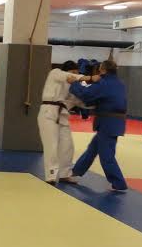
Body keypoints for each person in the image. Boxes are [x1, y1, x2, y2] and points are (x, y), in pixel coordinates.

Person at [68, 59, 129, 192]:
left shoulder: (104, 83)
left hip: (108, 123)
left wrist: (74, 84)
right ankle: (75, 172)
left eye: (100, 68)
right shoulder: (119, 83)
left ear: (103, 69)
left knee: (106, 156)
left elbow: (86, 95)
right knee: (92, 150)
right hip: (113, 122)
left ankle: (119, 183)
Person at [37, 60, 89, 184]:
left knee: (68, 146)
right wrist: (88, 78)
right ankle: (51, 175)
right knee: (51, 146)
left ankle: (65, 174)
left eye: (77, 73)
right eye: (74, 72)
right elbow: (68, 76)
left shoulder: (72, 88)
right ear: (67, 71)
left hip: (62, 116)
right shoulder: (55, 73)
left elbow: (79, 102)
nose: (75, 75)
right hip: (48, 113)